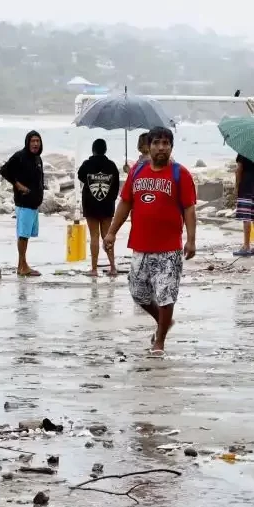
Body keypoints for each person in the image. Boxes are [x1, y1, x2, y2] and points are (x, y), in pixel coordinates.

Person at [104, 126, 197, 356]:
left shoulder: (180, 173)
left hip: (169, 248)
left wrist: (191, 240)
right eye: (157, 143)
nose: (161, 147)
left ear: (171, 147)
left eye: (166, 143)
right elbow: (125, 202)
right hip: (141, 245)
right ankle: (164, 321)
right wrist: (112, 232)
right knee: (138, 292)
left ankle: (160, 340)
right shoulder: (137, 171)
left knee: (166, 295)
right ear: (149, 146)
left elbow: (189, 209)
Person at [0, 130, 45, 276]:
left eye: (37, 141)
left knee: (26, 236)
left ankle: (22, 266)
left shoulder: (38, 159)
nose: (35, 144)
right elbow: (4, 170)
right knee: (23, 235)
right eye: (32, 141)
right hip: (24, 203)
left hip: (34, 204)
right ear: (27, 142)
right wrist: (17, 184)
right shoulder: (20, 156)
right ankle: (22, 265)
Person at [77, 138, 121, 276]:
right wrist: (111, 199)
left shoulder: (87, 164)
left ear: (93, 150)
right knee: (107, 236)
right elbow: (116, 185)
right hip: (107, 204)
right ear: (105, 150)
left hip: (90, 204)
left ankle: (94, 269)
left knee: (94, 236)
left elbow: (81, 176)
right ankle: (113, 267)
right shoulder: (111, 165)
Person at [233, 153, 254, 257]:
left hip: (245, 188)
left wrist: (236, 187)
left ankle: (246, 246)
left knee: (246, 218)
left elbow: (238, 170)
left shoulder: (243, 153)